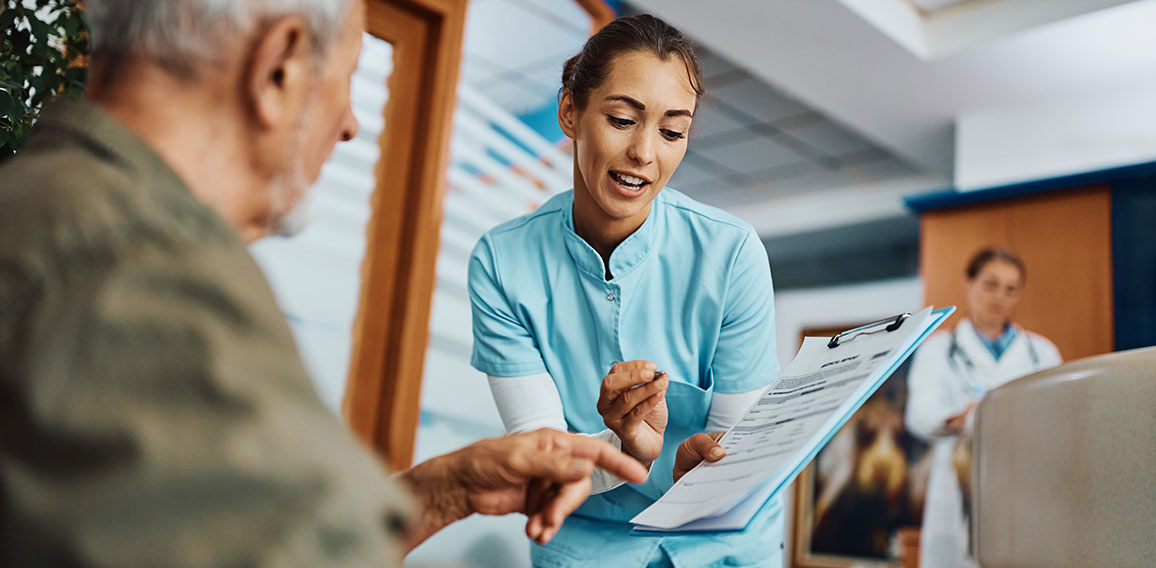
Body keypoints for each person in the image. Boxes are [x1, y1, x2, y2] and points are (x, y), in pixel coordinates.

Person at [0, 1, 652, 565]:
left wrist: (443, 491)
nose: (347, 124)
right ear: (279, 66)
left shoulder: (43, 210)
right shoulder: (141, 269)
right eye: (346, 79)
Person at [468, 14, 783, 567]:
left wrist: (698, 468)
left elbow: (740, 451)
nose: (644, 152)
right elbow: (541, 468)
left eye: (671, 131)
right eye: (621, 119)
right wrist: (627, 447)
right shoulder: (503, 263)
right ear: (571, 112)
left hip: (719, 546)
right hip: (588, 547)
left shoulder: (731, 255)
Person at [905, 247, 1062, 568]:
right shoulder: (937, 350)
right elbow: (918, 413)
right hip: (958, 482)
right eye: (990, 285)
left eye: (1010, 289)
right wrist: (955, 418)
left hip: (1026, 484)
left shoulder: (1042, 353)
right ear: (969, 282)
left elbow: (1061, 417)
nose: (999, 297)